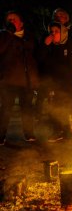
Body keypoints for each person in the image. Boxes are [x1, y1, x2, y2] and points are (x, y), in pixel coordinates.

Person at [38, 12, 72, 142]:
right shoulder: (48, 43)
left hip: (70, 79)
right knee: (55, 107)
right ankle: (57, 131)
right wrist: (45, 45)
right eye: (52, 31)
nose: (54, 33)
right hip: (54, 81)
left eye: (57, 30)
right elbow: (39, 59)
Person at [0, 10, 40, 145]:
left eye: (14, 19)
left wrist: (35, 79)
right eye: (9, 19)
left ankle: (29, 134)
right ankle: (1, 136)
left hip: (27, 80)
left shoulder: (29, 36)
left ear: (21, 23)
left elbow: (35, 55)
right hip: (9, 79)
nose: (11, 21)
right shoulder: (3, 35)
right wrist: (8, 34)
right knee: (5, 109)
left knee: (27, 108)